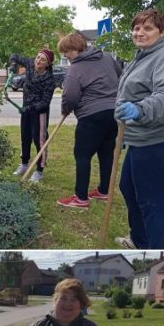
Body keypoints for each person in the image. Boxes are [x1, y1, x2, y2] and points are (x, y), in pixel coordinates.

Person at [113, 8, 164, 250]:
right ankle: (139, 240)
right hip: (141, 136)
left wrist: (139, 109)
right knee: (128, 187)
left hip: (160, 138)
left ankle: (157, 253)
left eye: (147, 28)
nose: (139, 32)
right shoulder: (144, 55)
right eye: (136, 28)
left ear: (161, 32)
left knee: (151, 201)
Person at [56, 32, 121, 209]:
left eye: (66, 52)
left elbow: (70, 96)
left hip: (91, 117)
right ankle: (104, 191)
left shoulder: (75, 68)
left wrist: (65, 109)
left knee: (82, 155)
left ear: (76, 49)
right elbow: (120, 76)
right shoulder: (107, 58)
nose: (65, 56)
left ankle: (80, 198)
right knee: (106, 153)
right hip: (113, 113)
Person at [9, 49, 56, 182]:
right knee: (25, 137)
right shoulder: (30, 64)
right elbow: (15, 55)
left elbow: (45, 103)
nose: (38, 61)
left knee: (39, 140)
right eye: (38, 57)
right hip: (26, 109)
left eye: (43, 59)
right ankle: (24, 164)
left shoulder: (49, 80)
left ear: (48, 64)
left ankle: (39, 170)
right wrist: (13, 65)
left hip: (39, 113)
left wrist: (30, 108)